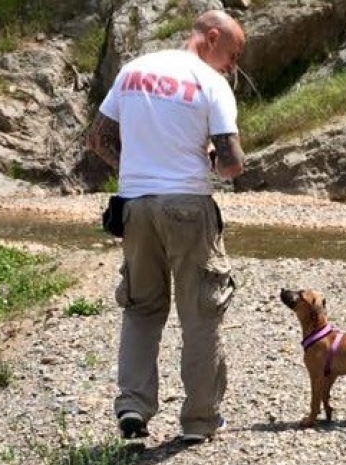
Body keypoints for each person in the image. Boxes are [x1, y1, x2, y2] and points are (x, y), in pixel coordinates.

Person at [86, 9, 247, 442]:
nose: (233, 65)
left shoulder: (133, 71)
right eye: (233, 54)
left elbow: (97, 138)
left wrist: (135, 170)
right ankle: (199, 421)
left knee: (141, 309)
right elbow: (232, 165)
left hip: (135, 204)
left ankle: (133, 408)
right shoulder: (211, 83)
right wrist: (211, 159)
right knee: (200, 316)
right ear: (212, 37)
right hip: (189, 207)